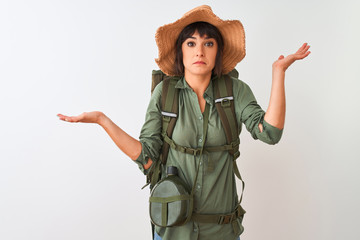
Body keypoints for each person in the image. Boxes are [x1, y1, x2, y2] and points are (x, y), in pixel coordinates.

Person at [57, 5, 310, 240]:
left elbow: (270, 133)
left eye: (208, 43)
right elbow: (146, 157)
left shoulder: (235, 91)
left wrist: (279, 73)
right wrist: (102, 120)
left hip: (221, 232)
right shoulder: (165, 93)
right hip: (172, 231)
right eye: (191, 43)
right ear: (181, 51)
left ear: (217, 51)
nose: (199, 51)